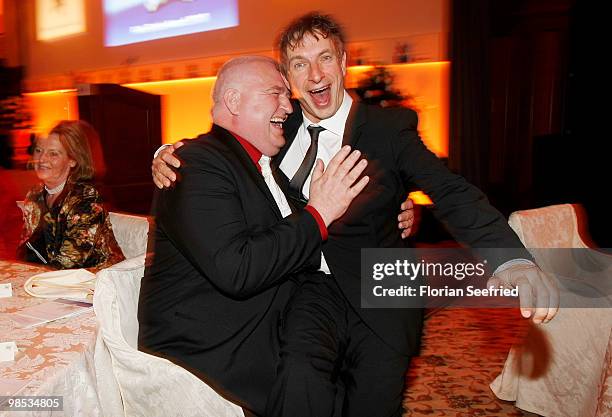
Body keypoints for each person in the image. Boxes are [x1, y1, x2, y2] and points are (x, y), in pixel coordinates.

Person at [152, 13, 559, 416]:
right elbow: (232, 143)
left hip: (380, 286)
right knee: (301, 385)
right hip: (307, 290)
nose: (314, 74)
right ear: (289, 79)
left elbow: (450, 191)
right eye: (299, 64)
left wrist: (511, 259)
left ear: (343, 61)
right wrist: (168, 153)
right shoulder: (280, 124)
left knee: (373, 402)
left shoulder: (388, 128)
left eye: (324, 57)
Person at [137, 56, 370, 416]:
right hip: (211, 349)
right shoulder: (196, 165)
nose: (288, 106)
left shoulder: (258, 165)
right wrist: (319, 213)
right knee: (309, 376)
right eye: (276, 93)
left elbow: (290, 237)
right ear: (233, 101)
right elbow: (238, 269)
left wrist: (396, 214)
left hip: (259, 322)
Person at [17, 120, 124, 270]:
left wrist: (31, 277)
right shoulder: (35, 194)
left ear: (72, 160)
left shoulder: (86, 199)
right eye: (39, 150)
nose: (41, 159)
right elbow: (26, 248)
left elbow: (70, 261)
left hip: (95, 282)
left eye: (53, 153)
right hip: (52, 278)